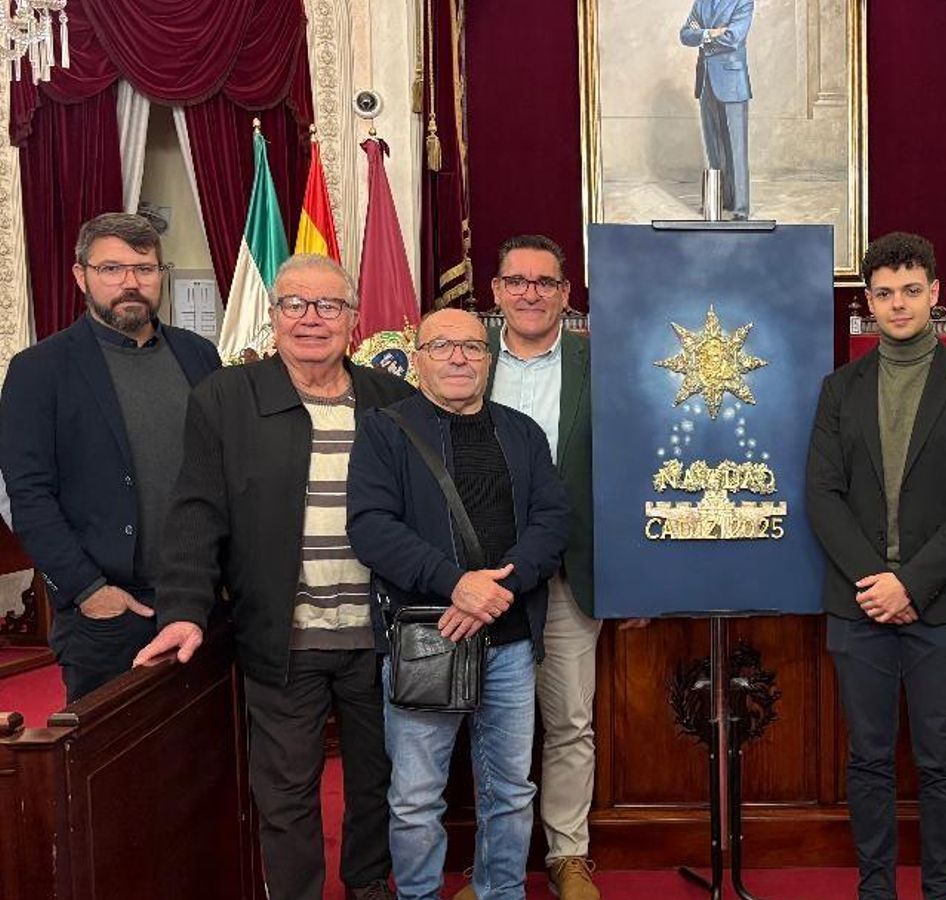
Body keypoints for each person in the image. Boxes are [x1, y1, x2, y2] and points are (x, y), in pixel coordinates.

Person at [135, 254, 410, 900]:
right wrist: (183, 609)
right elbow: (196, 512)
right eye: (295, 305)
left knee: (378, 780)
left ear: (353, 319)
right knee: (285, 792)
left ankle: (369, 884)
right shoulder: (227, 398)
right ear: (273, 314)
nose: (311, 320)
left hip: (381, 638)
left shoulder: (392, 399)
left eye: (328, 307)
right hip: (283, 637)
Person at [347, 308, 569, 900]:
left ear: (488, 359)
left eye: (472, 347)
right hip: (427, 638)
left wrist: (497, 591)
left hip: (511, 639)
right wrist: (456, 584)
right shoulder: (385, 429)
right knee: (416, 798)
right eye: (442, 346)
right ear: (416, 358)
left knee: (512, 790)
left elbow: (553, 521)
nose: (458, 358)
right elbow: (370, 527)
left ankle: (503, 892)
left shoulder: (522, 432)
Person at [805, 232, 946, 900]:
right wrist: (877, 583)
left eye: (911, 291)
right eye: (884, 293)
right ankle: (876, 888)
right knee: (868, 759)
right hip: (859, 605)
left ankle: (941, 890)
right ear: (866, 301)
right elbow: (821, 496)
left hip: (937, 607)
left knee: (943, 762)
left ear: (935, 294)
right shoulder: (838, 389)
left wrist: (910, 583)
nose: (898, 304)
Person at [0, 212, 220, 701]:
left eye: (144, 269)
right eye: (111, 269)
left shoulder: (199, 356)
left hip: (201, 600)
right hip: (109, 611)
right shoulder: (39, 370)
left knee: (208, 760)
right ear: (81, 275)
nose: (130, 283)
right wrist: (88, 592)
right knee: (117, 769)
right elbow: (29, 496)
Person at [485, 234, 643, 900]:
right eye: (516, 281)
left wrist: (633, 572)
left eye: (544, 283)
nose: (529, 293)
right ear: (495, 292)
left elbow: (627, 469)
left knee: (570, 719)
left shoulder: (598, 364)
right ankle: (497, 865)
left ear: (564, 294)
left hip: (569, 571)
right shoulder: (461, 359)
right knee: (485, 719)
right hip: (479, 578)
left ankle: (568, 854)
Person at [679, 0, 753, 220]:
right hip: (705, 83)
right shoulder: (701, 3)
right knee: (714, 147)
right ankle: (720, 199)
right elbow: (684, 35)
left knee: (736, 150)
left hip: (733, 83)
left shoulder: (743, 2)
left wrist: (701, 35)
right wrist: (712, 32)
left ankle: (740, 208)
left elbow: (733, 38)